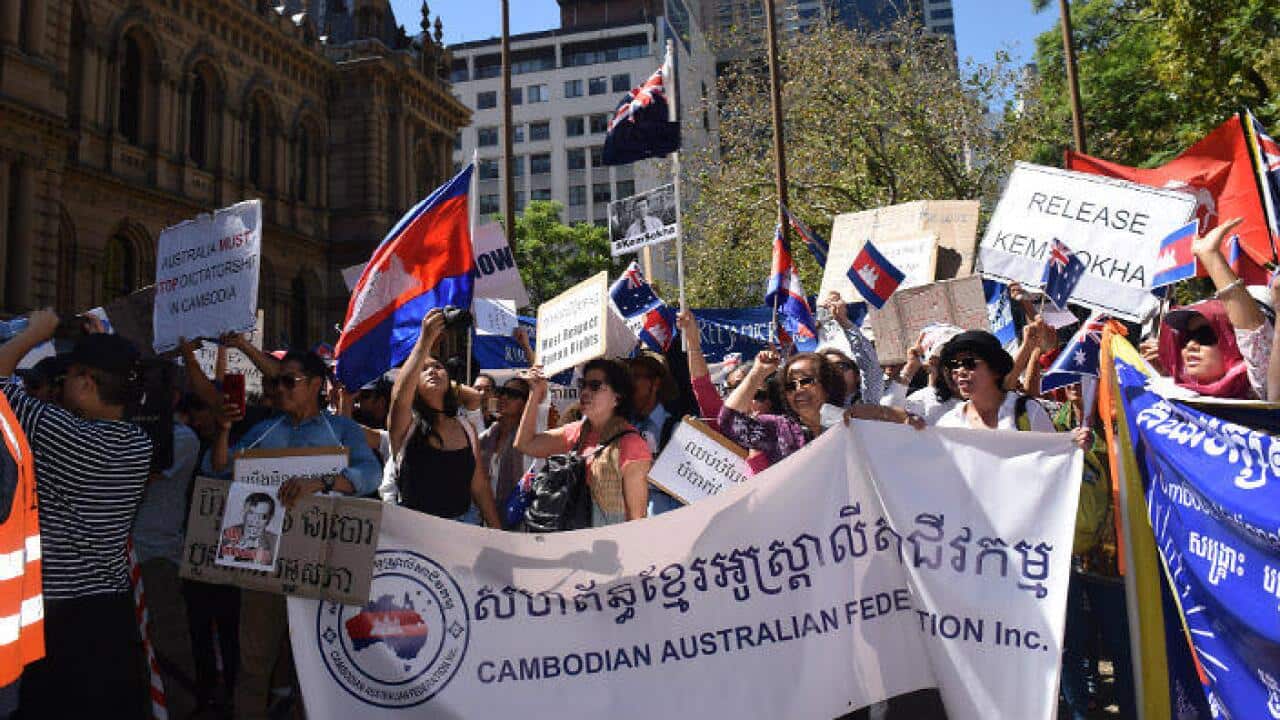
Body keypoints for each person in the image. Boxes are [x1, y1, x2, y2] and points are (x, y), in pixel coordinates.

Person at [205, 348, 380, 720]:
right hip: (261, 565)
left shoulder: (343, 430)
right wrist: (222, 431)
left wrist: (323, 482)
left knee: (314, 666)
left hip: (319, 565)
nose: (279, 389)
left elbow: (371, 475)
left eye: (289, 381)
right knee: (254, 661)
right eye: (276, 381)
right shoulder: (265, 431)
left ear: (317, 385)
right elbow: (219, 469)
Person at [0, 309, 151, 718]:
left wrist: (33, 334)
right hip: (110, 610)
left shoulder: (64, 434)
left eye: (70, 375)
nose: (61, 383)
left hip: (58, 615)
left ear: (86, 382)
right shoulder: (139, 444)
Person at [386, 310, 502, 527]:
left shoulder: (466, 427)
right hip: (415, 532)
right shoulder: (406, 425)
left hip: (462, 529)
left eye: (438, 367)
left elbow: (478, 485)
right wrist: (425, 339)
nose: (432, 371)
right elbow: (399, 397)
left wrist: (498, 532)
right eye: (423, 369)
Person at [515, 359, 652, 526]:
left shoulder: (632, 444)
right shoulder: (578, 432)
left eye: (594, 386)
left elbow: (637, 520)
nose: (585, 392)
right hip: (574, 542)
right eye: (583, 385)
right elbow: (525, 444)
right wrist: (535, 392)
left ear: (617, 397)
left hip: (608, 547)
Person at [131, 401, 201, 719]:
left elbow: (140, 476)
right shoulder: (124, 431)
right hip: (121, 557)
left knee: (167, 643)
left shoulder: (181, 438)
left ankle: (178, 709)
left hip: (158, 555)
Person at [933, 331, 1093, 449]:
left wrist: (1073, 445)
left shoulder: (1028, 411)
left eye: (969, 363)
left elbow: (1053, 458)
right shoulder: (948, 424)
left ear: (995, 369)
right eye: (954, 365)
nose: (959, 371)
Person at [718, 350, 848, 468]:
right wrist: (758, 372)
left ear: (828, 385)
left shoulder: (851, 422)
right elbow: (729, 420)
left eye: (806, 381)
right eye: (790, 386)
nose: (799, 390)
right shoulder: (779, 429)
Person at [478, 377, 539, 528]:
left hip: (516, 521)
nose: (504, 397)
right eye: (502, 392)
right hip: (482, 520)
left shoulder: (530, 441)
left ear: (526, 403)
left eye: (512, 394)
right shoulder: (484, 438)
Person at [628, 353, 682, 515]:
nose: (629, 383)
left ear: (656, 383)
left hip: (662, 525)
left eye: (636, 376)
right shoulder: (622, 426)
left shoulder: (675, 430)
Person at [217, 493, 279, 565]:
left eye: (263, 516)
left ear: (269, 519)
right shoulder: (225, 535)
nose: (255, 521)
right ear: (244, 513)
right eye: (251, 514)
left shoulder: (274, 542)